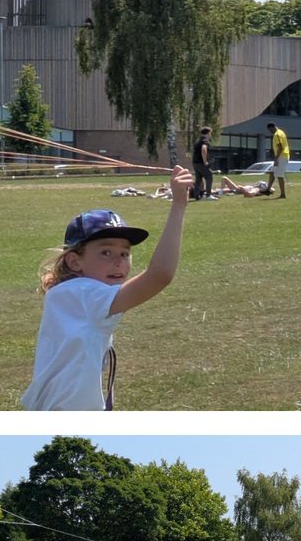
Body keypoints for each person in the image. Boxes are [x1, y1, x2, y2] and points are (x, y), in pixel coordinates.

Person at [21, 165, 194, 410]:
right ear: (74, 261)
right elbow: (160, 275)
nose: (118, 261)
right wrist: (178, 205)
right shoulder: (84, 293)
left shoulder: (69, 293)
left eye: (125, 253)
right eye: (106, 251)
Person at [266, 121, 290, 198]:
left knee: (280, 175)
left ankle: (283, 194)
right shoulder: (281, 132)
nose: (270, 132)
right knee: (272, 172)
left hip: (282, 156)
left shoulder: (277, 134)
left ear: (272, 127)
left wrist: (276, 158)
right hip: (282, 156)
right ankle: (268, 190)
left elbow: (280, 147)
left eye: (270, 130)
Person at [192, 127, 214, 200]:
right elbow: (204, 149)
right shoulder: (205, 141)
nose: (210, 135)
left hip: (195, 163)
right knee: (209, 177)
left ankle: (196, 196)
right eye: (210, 133)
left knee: (198, 179)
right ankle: (208, 195)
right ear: (208, 133)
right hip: (201, 163)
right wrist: (205, 161)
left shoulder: (197, 141)